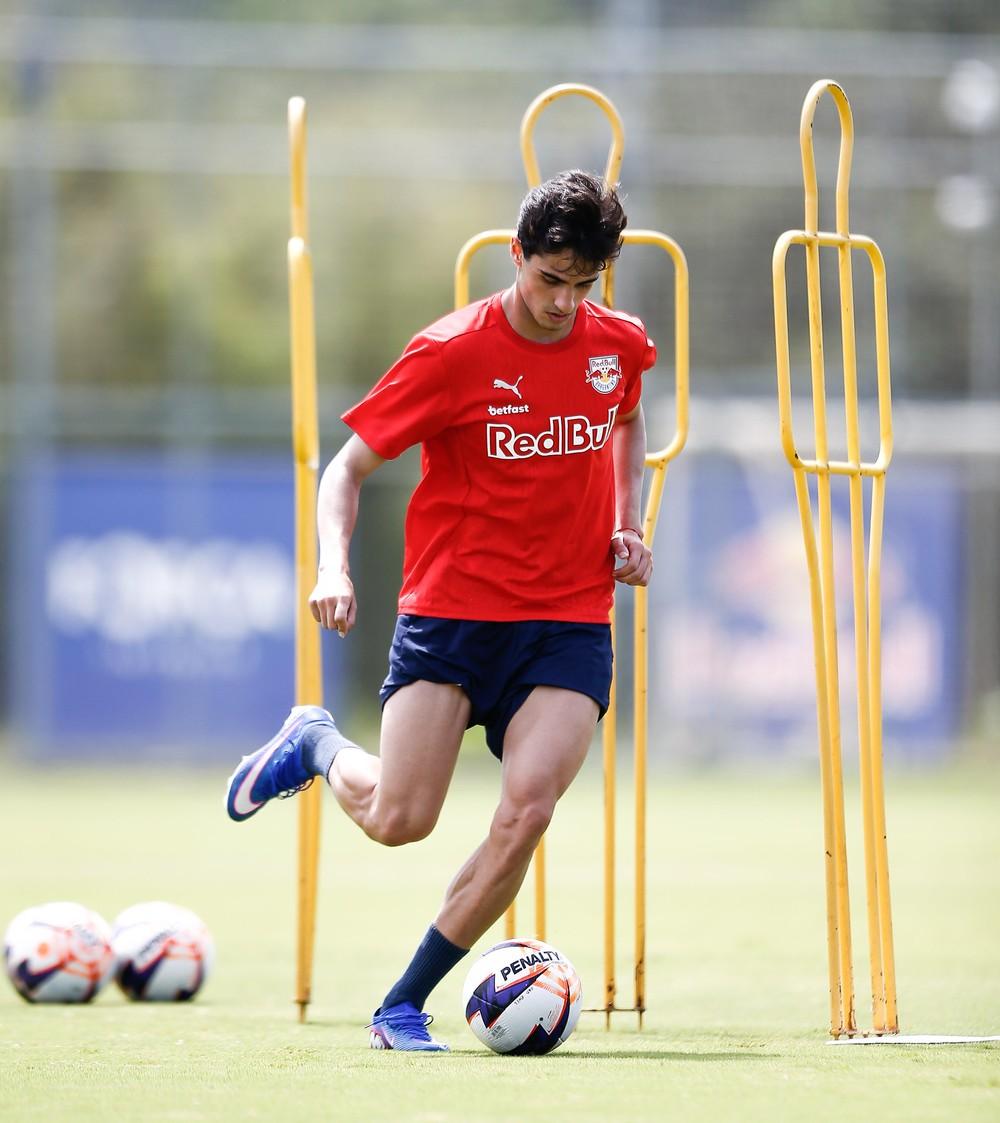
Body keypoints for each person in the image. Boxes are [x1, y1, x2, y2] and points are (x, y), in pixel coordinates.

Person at [225, 169, 656, 1051]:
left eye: (584, 286)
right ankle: (314, 742)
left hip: (570, 619)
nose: (565, 304)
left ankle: (402, 1003)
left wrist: (630, 523)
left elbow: (625, 422)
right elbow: (344, 469)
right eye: (550, 280)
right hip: (454, 614)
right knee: (399, 819)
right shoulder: (451, 350)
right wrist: (332, 565)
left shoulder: (620, 345)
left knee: (528, 810)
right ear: (516, 257)